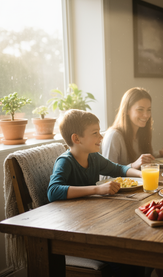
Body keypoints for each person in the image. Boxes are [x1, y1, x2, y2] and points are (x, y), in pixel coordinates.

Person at [47, 109, 146, 276]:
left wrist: (142, 174)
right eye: (95, 133)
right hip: (74, 232)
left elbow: (119, 169)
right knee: (123, 258)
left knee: (136, 255)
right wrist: (97, 189)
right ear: (76, 138)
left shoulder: (93, 157)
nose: (101, 137)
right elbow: (53, 191)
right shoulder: (65, 162)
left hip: (93, 225)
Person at [102, 87, 163, 170]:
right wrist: (132, 166)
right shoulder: (114, 136)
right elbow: (105, 176)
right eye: (140, 110)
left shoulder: (141, 132)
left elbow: (141, 160)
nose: (146, 115)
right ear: (127, 110)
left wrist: (160, 155)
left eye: (148, 110)